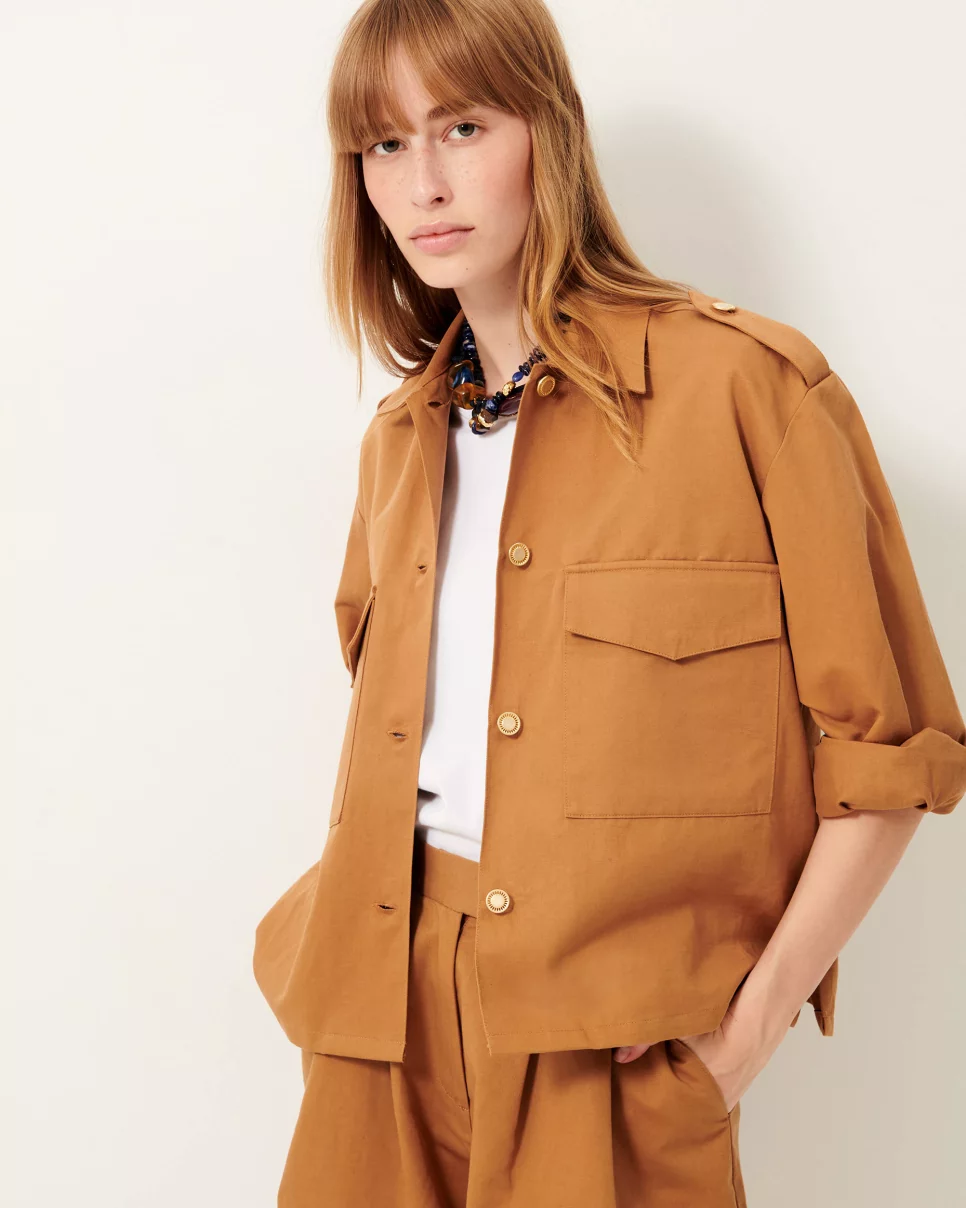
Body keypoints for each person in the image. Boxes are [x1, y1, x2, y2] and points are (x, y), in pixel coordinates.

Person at [252, 1, 966, 1204]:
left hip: (605, 1042)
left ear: (550, 130)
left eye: (462, 126)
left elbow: (890, 760)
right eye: (384, 144)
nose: (424, 183)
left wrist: (748, 1032)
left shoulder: (749, 391)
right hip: (378, 1026)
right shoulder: (398, 442)